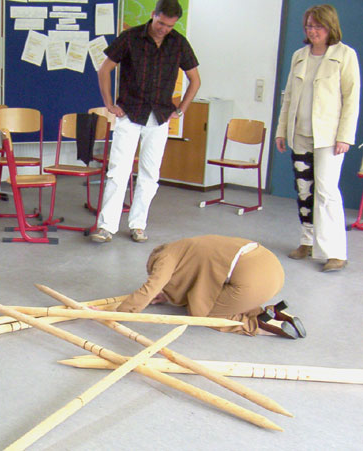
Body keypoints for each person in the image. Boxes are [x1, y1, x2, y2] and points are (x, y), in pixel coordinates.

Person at [90, 0, 200, 244]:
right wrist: (109, 104)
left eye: (169, 26)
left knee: (150, 174)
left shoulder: (179, 43)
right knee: (118, 171)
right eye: (161, 23)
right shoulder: (130, 37)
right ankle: (106, 227)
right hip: (129, 114)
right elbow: (103, 70)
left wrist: (180, 109)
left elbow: (195, 80)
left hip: (159, 117)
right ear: (153, 15)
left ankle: (138, 225)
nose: (163, 29)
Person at [275, 4, 360, 272]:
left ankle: (335, 252)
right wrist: (281, 130)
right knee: (304, 189)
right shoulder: (299, 56)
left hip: (329, 138)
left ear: (330, 27)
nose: (312, 31)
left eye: (318, 27)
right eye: (309, 26)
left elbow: (352, 100)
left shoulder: (345, 55)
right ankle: (307, 241)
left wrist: (345, 136)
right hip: (299, 133)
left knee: (326, 191)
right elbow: (288, 97)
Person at [115, 235, 306, 339]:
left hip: (251, 282)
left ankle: (259, 326)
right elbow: (196, 277)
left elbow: (152, 286)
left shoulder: (164, 258)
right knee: (225, 296)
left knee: (204, 313)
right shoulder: (186, 246)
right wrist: (167, 296)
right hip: (272, 270)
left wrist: (120, 313)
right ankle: (271, 313)